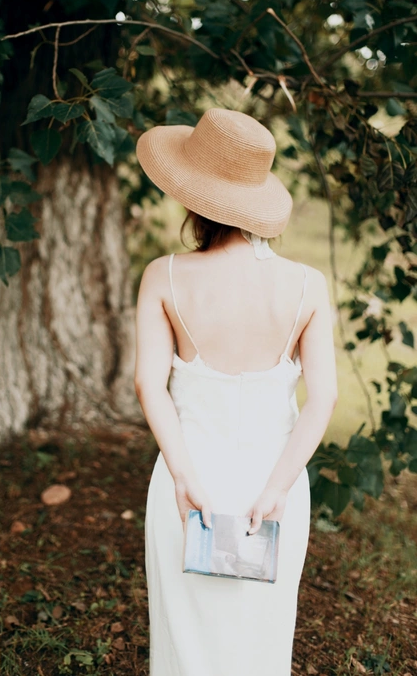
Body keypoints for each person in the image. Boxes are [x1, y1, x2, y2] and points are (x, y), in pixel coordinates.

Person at [133, 108, 338, 676]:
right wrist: (277, 489)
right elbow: (323, 398)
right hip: (273, 487)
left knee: (185, 644)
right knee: (261, 645)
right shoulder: (308, 286)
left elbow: (149, 383)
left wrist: (182, 478)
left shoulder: (163, 275)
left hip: (189, 479)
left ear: (192, 198)